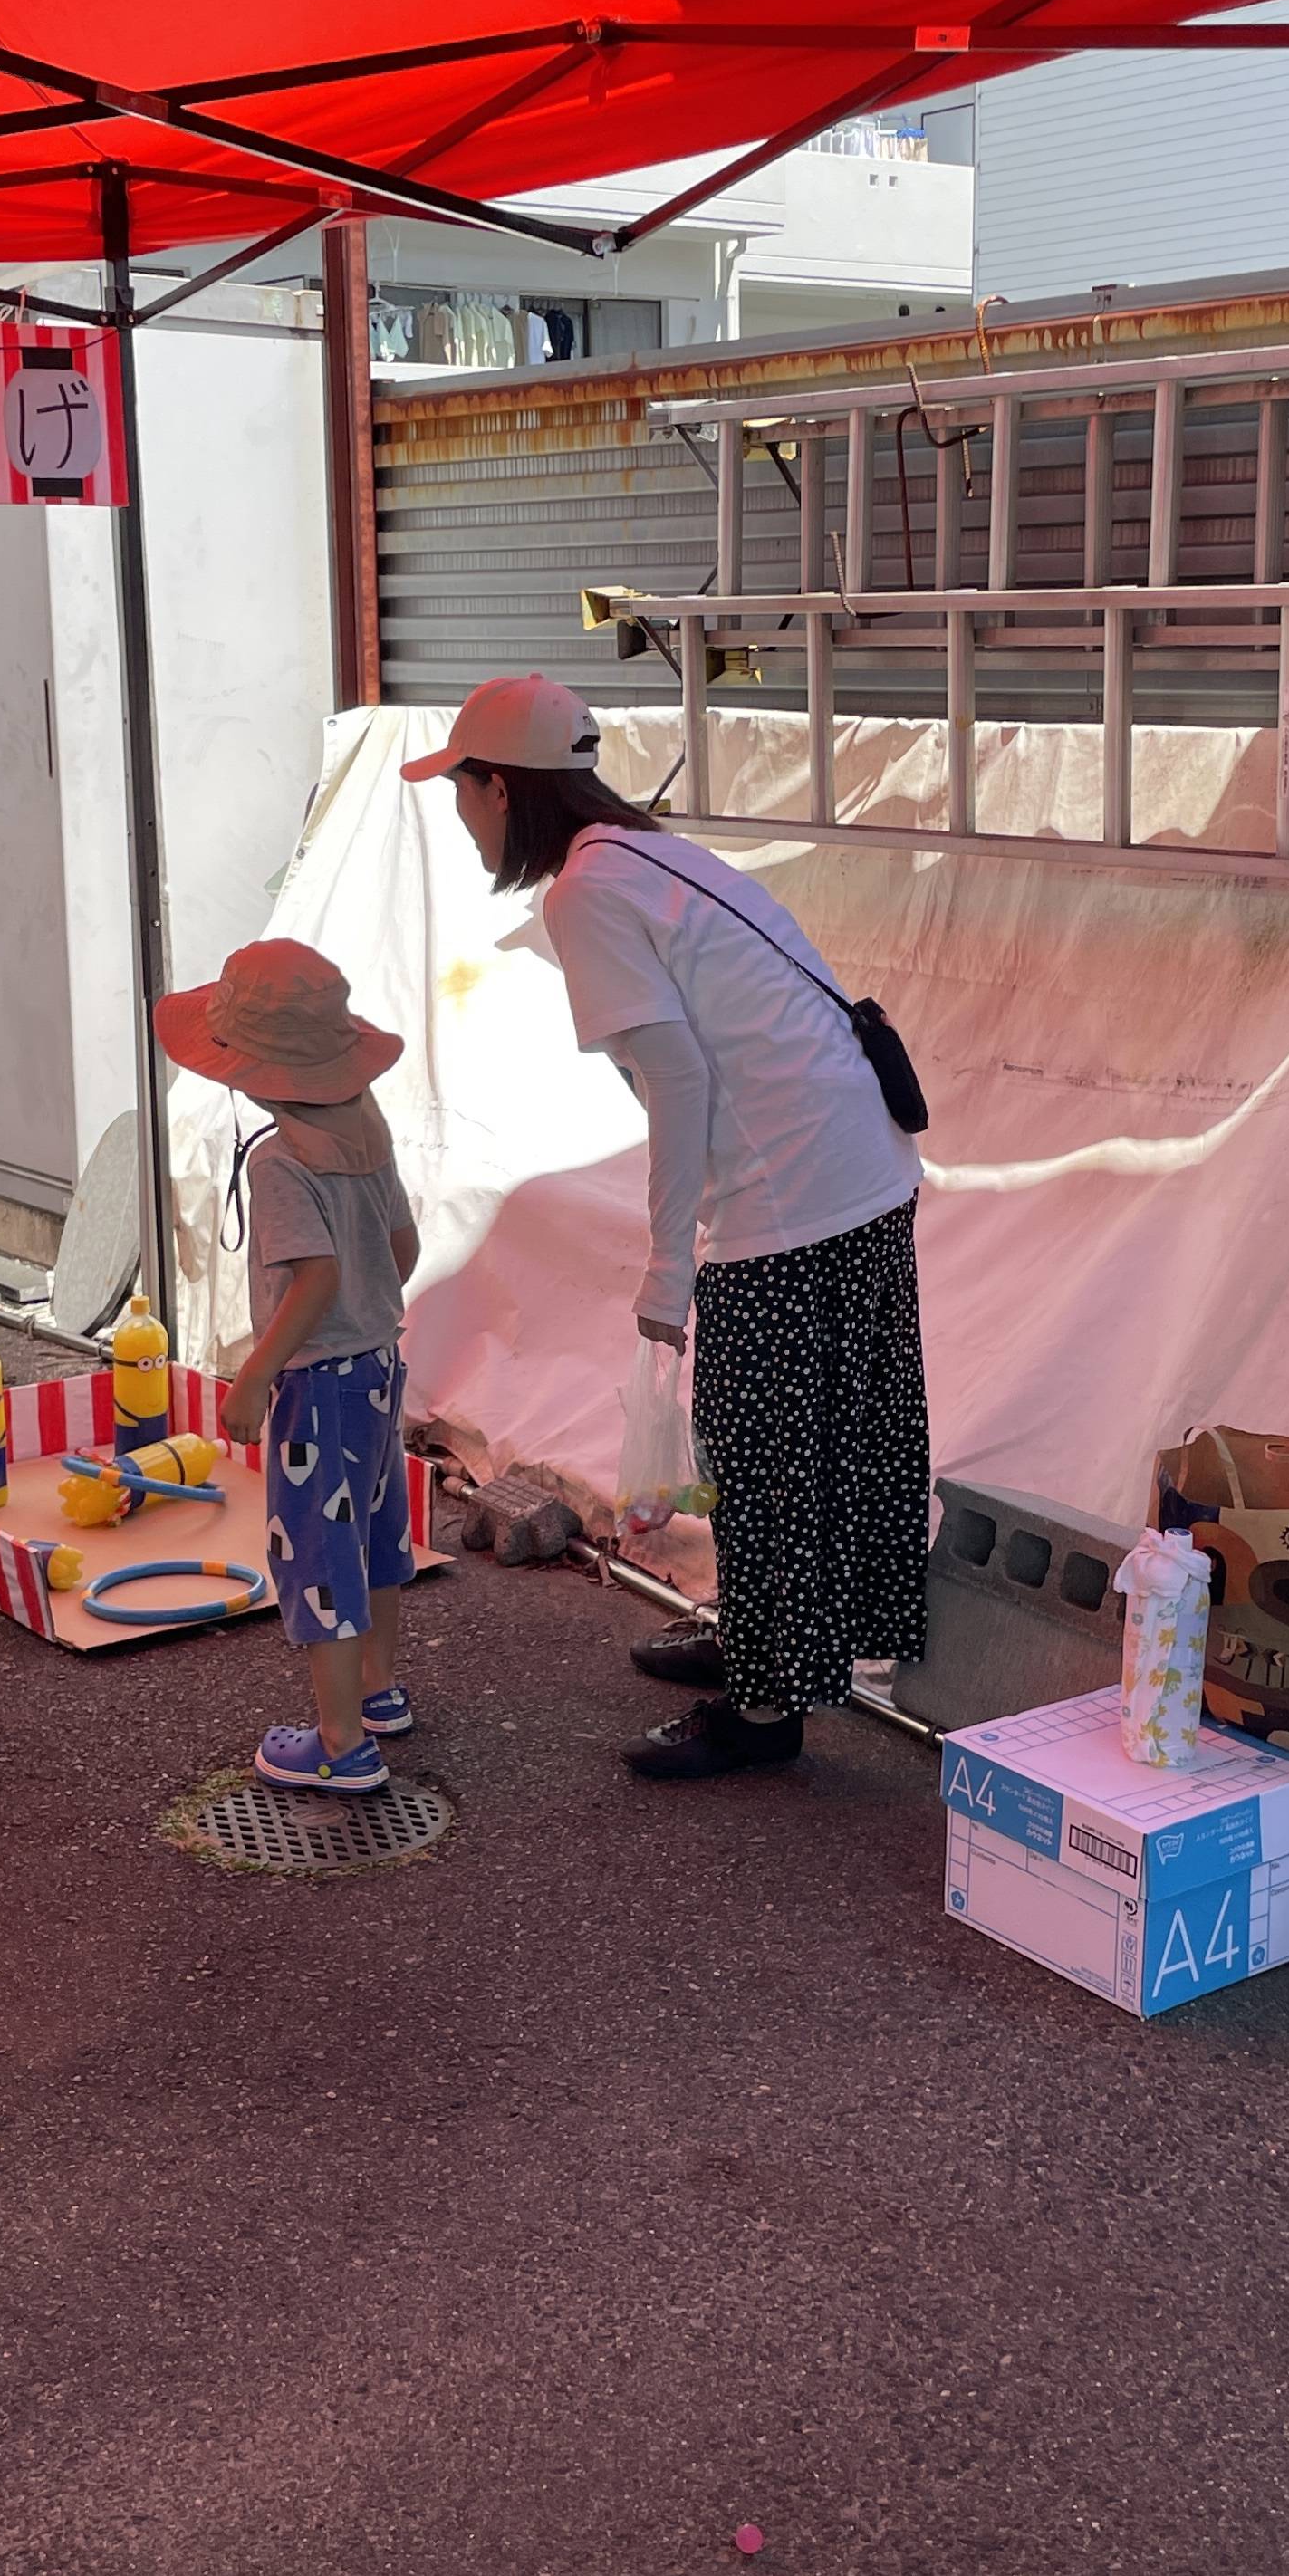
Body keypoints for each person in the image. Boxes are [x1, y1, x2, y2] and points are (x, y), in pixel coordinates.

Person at [405, 677, 929, 1783]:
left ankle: (763, 1711)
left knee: (762, 1447)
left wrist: (667, 1268)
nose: (458, 811)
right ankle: (763, 1647)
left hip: (792, 1196)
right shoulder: (649, 855)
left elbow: (679, 1082)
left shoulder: (586, 893)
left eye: (460, 787)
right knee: (818, 1439)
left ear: (499, 787)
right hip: (863, 1163)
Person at [155, 941, 419, 1798]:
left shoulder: (279, 1161)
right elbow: (399, 1250)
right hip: (380, 1366)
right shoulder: (366, 1137)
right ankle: (378, 1696)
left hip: (317, 1388)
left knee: (317, 1554)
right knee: (377, 1536)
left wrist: (256, 1376)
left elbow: (315, 1276)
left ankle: (341, 1743)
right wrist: (366, 1310)